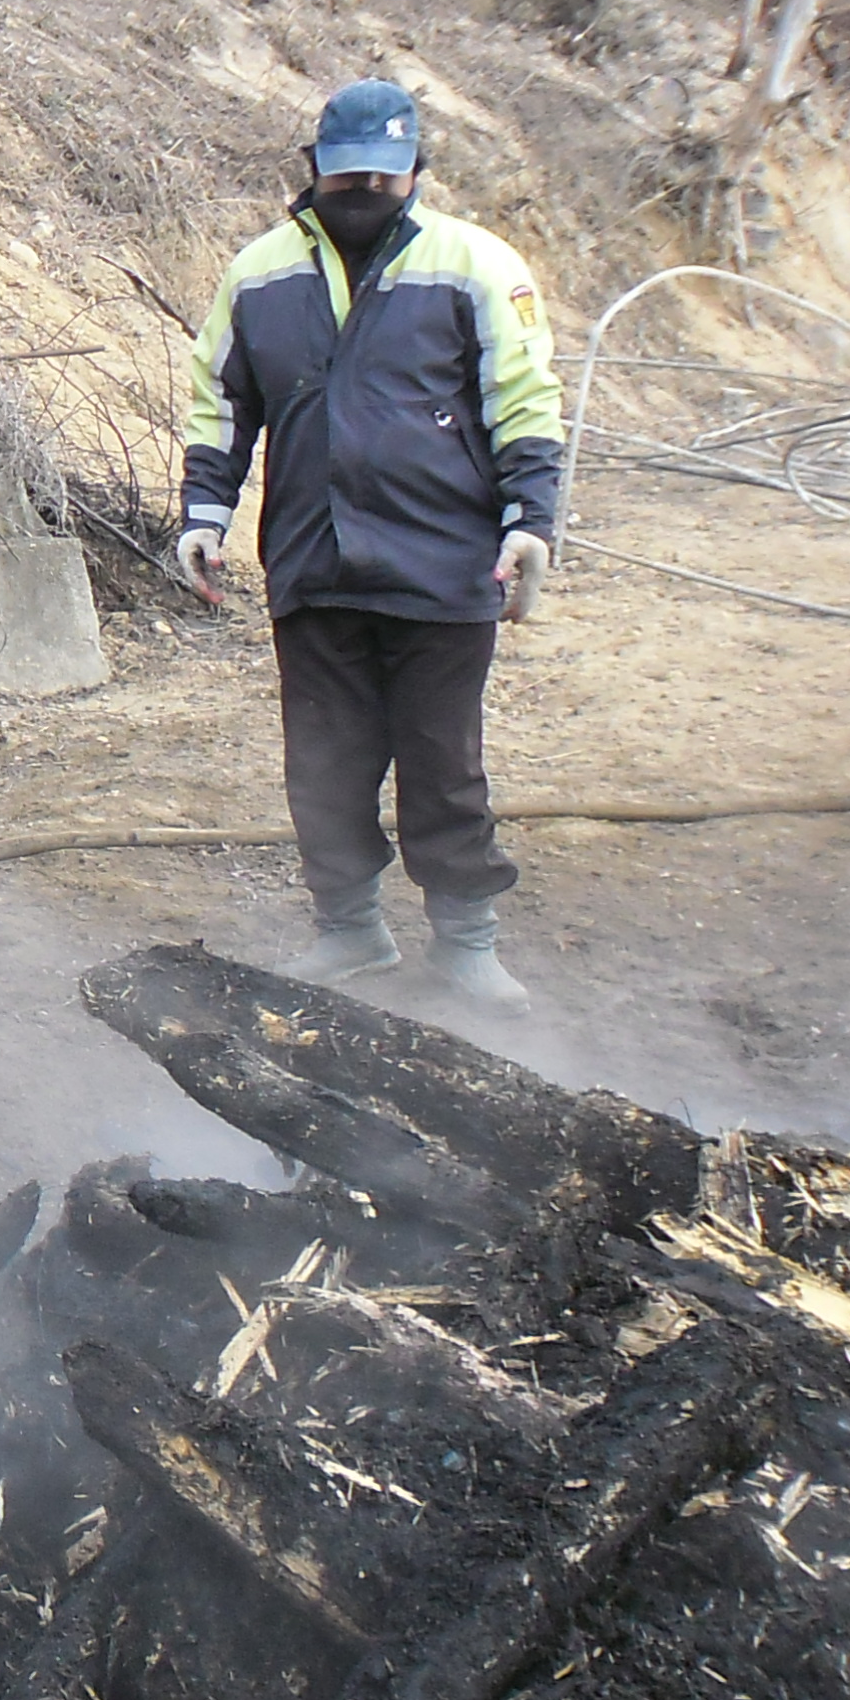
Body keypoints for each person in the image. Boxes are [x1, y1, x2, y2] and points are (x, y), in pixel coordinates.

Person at [178, 78, 562, 1014]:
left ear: (417, 171)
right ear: (313, 167)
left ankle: (466, 944)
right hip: (315, 560)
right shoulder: (260, 275)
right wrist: (203, 513)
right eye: (346, 175)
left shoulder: (475, 264)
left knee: (443, 764)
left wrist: (531, 522)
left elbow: (523, 400)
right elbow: (221, 400)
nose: (364, 191)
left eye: (383, 177)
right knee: (324, 763)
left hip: (446, 563)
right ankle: (349, 930)